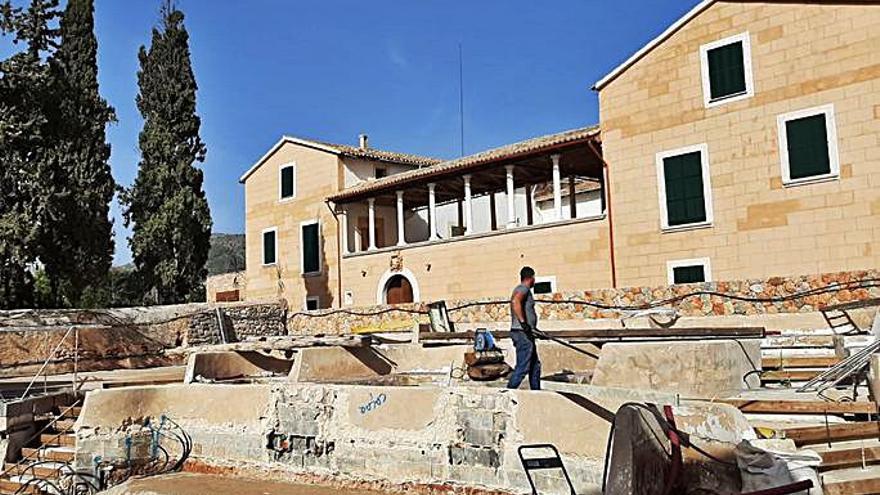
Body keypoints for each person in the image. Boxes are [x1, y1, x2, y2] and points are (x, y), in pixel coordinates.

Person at [507, 266, 541, 390]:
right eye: (534, 278)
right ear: (530, 278)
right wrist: (523, 323)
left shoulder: (524, 289)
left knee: (534, 366)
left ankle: (536, 393)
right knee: (523, 367)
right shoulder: (523, 288)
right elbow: (516, 301)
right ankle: (507, 392)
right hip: (522, 333)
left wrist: (534, 330)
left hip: (527, 333)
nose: (534, 280)